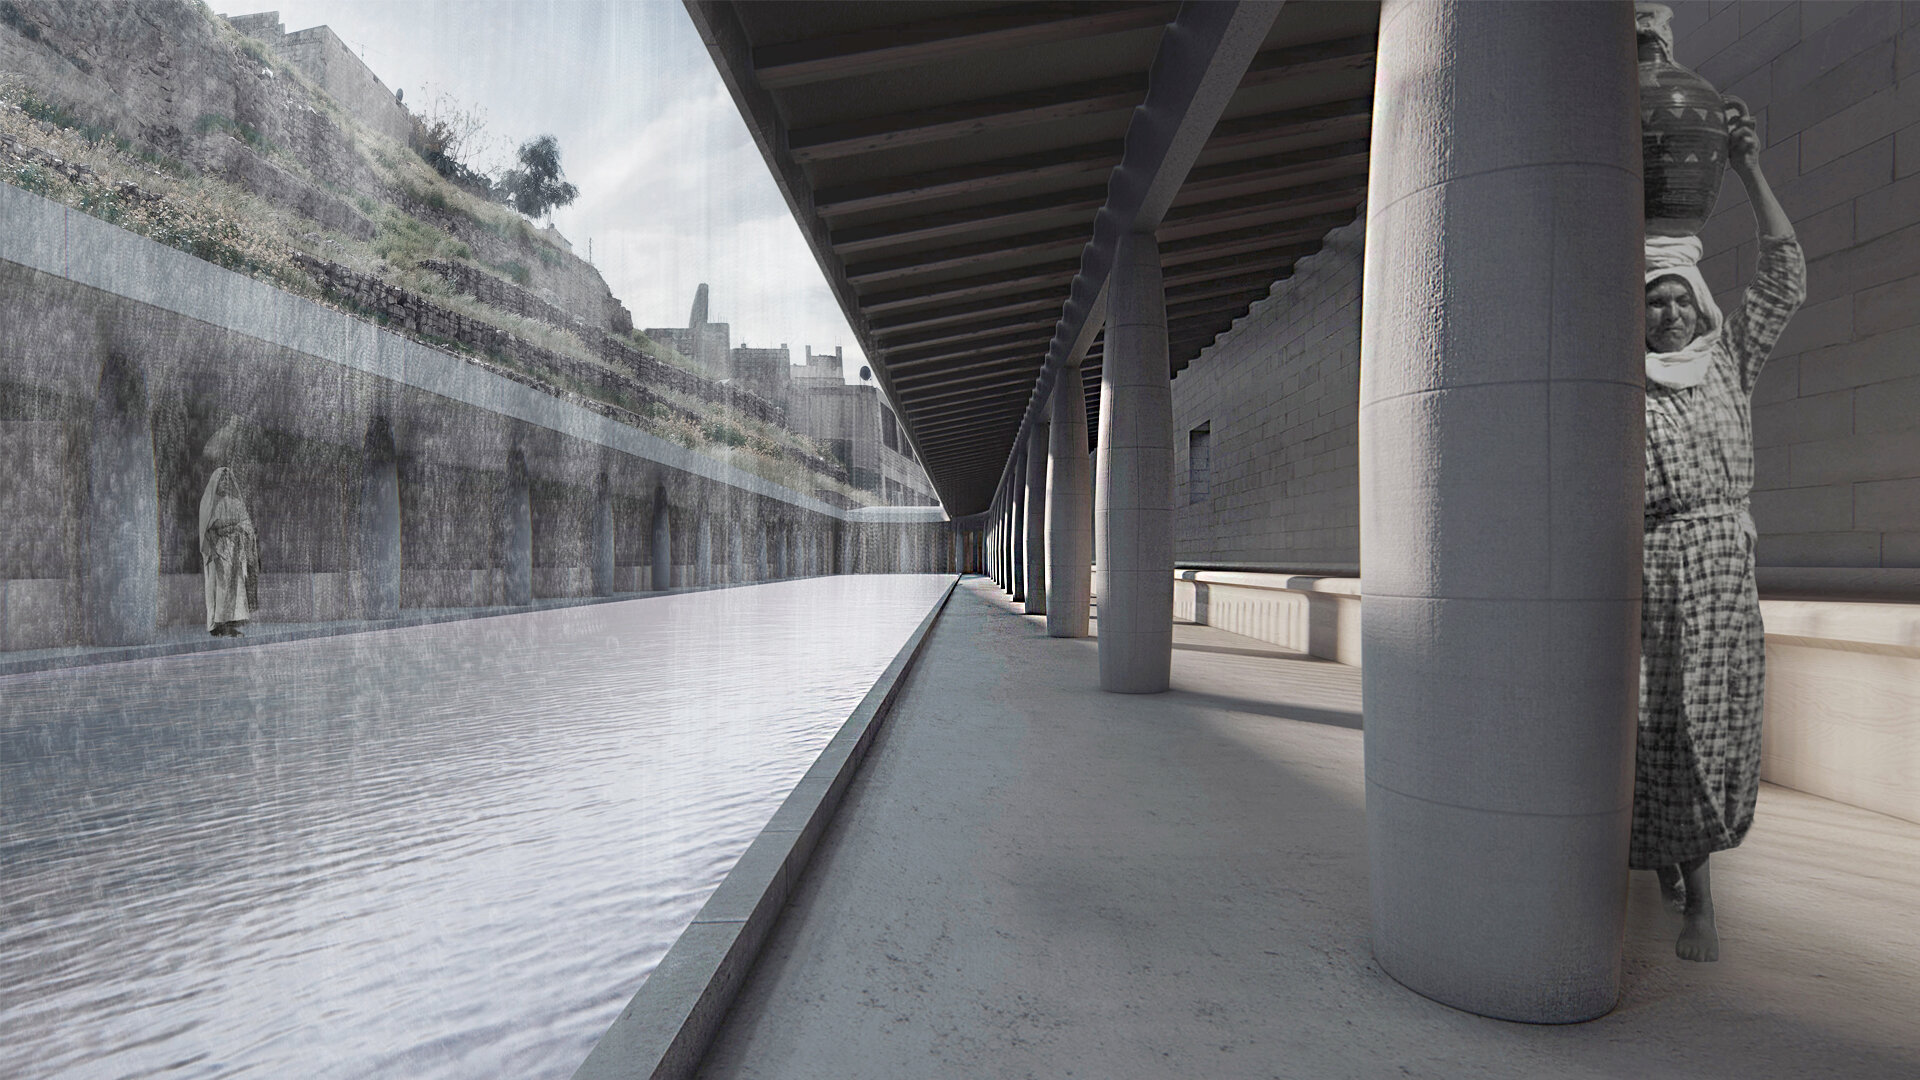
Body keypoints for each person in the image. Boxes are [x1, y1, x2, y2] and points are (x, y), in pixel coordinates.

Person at [1633, 100, 1804, 963]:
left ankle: (1696, 885)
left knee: (1716, 724)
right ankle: (1683, 880)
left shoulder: (1729, 365)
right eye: (1653, 303)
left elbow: (1785, 274)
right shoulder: (1624, 390)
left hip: (1723, 574)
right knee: (1661, 727)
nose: (1668, 315)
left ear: (1700, 307)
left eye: (1678, 300)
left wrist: (1745, 167)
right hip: (1657, 577)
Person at [199, 466, 259, 637]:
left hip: (234, 551)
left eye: (227, 480)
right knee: (218, 587)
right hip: (217, 551)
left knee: (235, 587)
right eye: (222, 480)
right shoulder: (210, 502)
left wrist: (235, 528)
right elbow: (206, 528)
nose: (225, 483)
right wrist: (220, 530)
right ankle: (217, 623)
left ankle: (230, 621)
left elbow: (246, 523)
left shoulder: (236, 503)